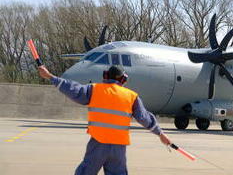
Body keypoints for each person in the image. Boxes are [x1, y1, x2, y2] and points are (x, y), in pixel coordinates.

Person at [38, 65, 172, 175]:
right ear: (124, 79)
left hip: (98, 143)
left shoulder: (94, 90)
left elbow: (73, 89)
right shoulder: (131, 97)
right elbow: (145, 118)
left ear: (105, 76)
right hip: (118, 148)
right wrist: (160, 134)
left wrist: (50, 76)